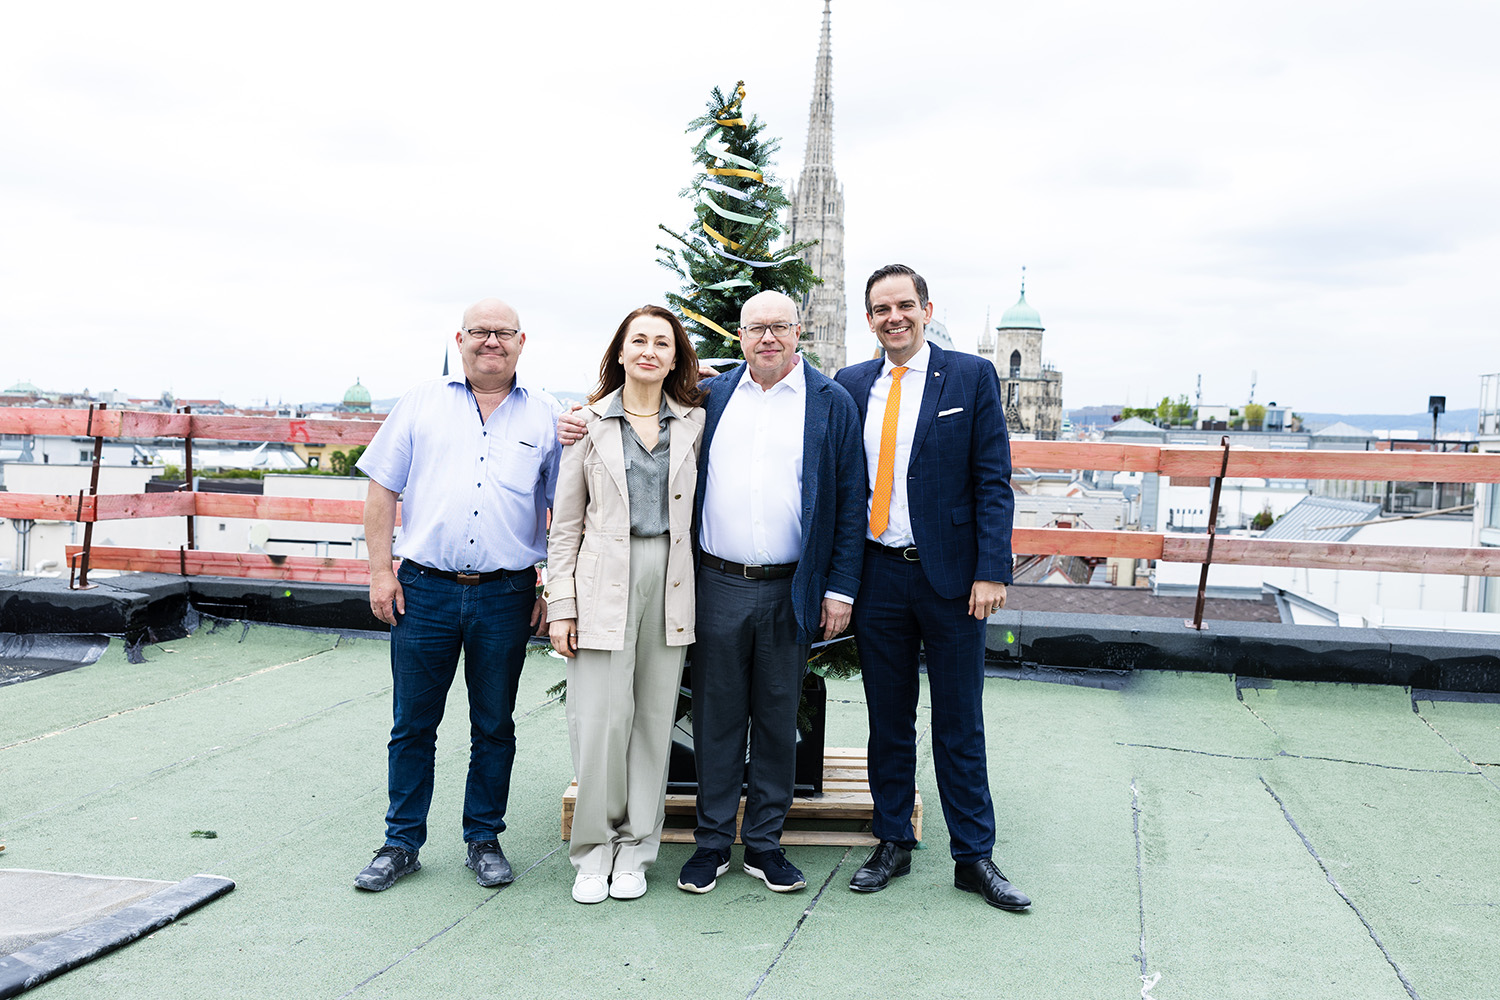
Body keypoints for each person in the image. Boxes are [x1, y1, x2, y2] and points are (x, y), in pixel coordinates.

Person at [555, 290, 865, 896]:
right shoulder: (709, 399)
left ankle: (766, 845)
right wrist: (574, 418)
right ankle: (713, 843)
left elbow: (851, 501)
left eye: (779, 326)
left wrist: (840, 588)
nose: (768, 337)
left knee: (778, 716)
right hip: (714, 582)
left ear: (799, 331)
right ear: (739, 337)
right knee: (716, 717)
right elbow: (626, 424)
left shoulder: (832, 402)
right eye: (755, 327)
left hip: (792, 585)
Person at [834, 264, 1031, 911]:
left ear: (925, 308)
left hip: (952, 580)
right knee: (888, 720)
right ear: (870, 319)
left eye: (904, 305)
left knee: (958, 721)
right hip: (879, 575)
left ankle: (973, 857)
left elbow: (993, 479)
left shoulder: (969, 376)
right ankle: (892, 841)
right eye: (881, 309)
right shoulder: (852, 384)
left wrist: (992, 569)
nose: (893, 317)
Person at [352, 297, 560, 893]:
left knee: (494, 724)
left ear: (522, 342)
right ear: (460, 338)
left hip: (507, 593)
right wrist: (380, 572)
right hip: (424, 590)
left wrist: (551, 587)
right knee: (412, 725)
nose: (491, 341)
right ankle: (400, 843)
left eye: (503, 332)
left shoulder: (546, 415)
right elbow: (381, 490)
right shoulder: (420, 403)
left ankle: (484, 838)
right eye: (479, 331)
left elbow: (563, 509)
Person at [543, 305, 706, 904]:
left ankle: (636, 850)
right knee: (599, 722)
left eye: (663, 342)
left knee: (653, 722)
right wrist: (561, 605)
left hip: (671, 578)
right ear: (619, 350)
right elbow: (565, 525)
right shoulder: (587, 424)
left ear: (675, 356)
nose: (649, 351)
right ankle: (593, 851)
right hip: (600, 577)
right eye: (639, 340)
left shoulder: (694, 421)